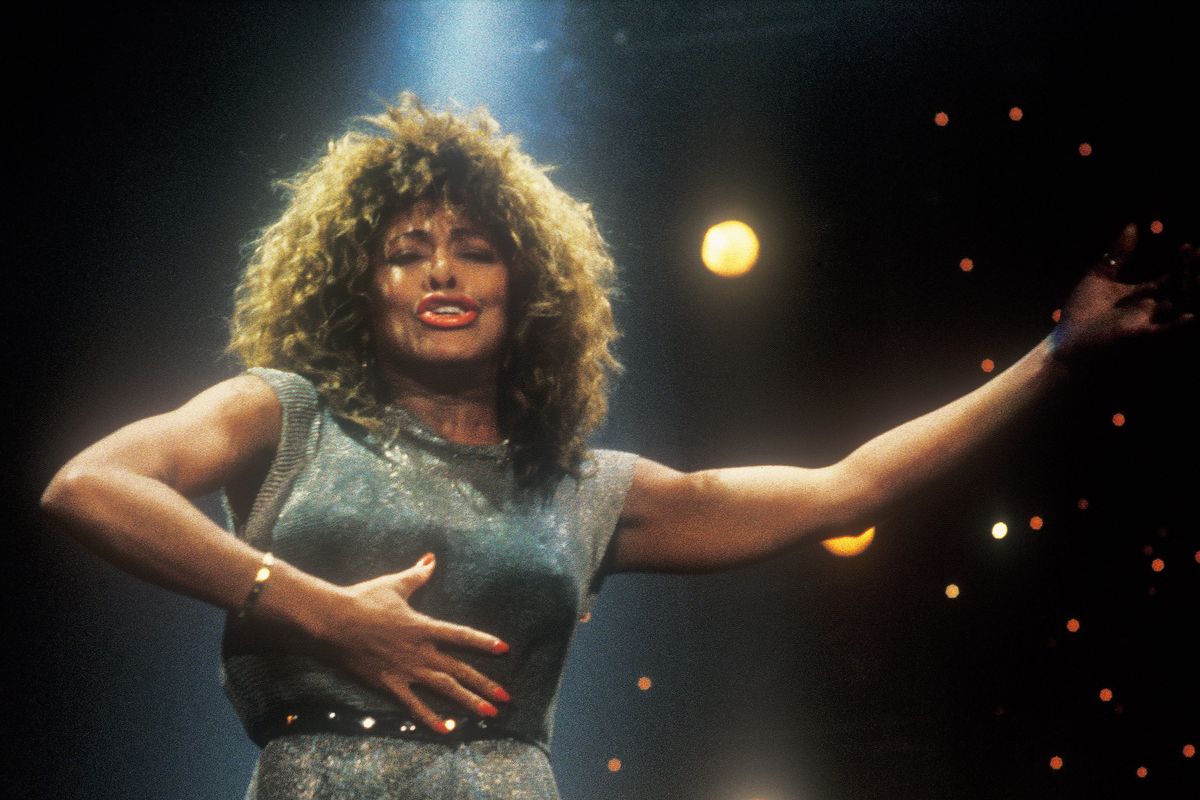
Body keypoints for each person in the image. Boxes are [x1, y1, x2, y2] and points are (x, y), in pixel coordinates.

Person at [39, 93, 1196, 799]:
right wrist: (316, 606)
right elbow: (89, 483)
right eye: (407, 249)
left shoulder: (588, 489)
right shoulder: (281, 410)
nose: (442, 270)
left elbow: (852, 481)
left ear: (522, 284)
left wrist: (1056, 353)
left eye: (475, 248)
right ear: (362, 286)